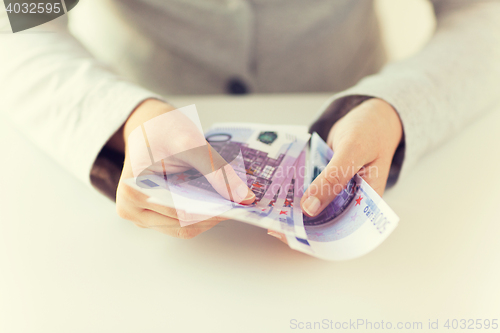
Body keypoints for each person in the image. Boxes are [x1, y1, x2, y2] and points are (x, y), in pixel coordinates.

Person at [1, 0, 499, 239]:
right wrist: (118, 117)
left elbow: (484, 15)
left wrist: (396, 107)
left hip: (356, 110)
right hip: (140, 103)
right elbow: (18, 24)